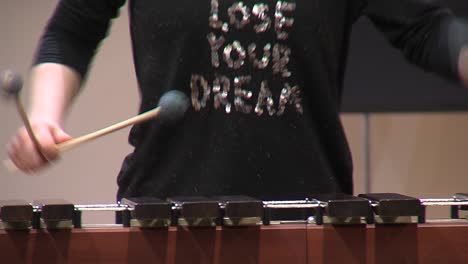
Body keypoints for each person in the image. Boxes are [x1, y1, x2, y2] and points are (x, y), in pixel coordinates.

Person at [7, 0, 468, 202]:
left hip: (309, 222)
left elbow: (425, 26)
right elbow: (73, 29)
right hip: (164, 220)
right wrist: (45, 117)